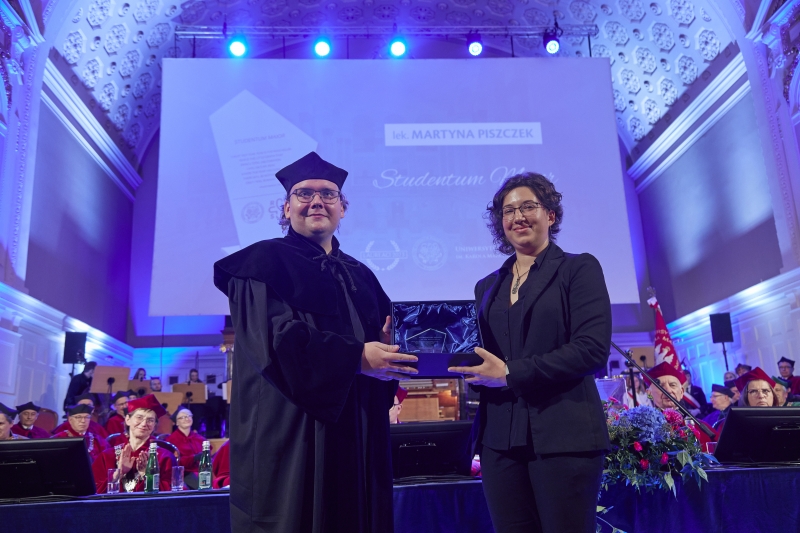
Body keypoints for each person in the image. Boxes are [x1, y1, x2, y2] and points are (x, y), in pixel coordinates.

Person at [213, 151, 418, 533]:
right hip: (292, 431)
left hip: (358, 429)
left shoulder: (361, 275)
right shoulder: (260, 263)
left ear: (342, 208)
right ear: (286, 207)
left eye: (328, 194)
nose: (317, 201)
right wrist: (357, 357)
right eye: (304, 193)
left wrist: (390, 346)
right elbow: (275, 341)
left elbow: (383, 346)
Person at [447, 173, 611, 533]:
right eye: (508, 211)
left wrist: (509, 373)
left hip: (564, 437)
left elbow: (592, 349)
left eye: (528, 207)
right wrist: (416, 343)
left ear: (550, 215)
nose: (517, 216)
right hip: (499, 441)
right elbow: (480, 354)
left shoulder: (578, 268)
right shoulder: (487, 286)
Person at [91, 394, 172, 493]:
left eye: (150, 420)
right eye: (139, 417)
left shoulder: (164, 457)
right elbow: (93, 492)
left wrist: (147, 475)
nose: (144, 424)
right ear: (128, 420)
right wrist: (119, 474)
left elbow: (172, 494)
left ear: (154, 425)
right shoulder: (107, 456)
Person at [644, 362, 714, 447]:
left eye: (672, 385)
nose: (668, 391)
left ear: (681, 392)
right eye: (660, 386)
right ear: (649, 394)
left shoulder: (702, 428)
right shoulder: (642, 429)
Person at [166, 406, 205, 489]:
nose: (187, 418)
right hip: (183, 474)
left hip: (201, 471)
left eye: (189, 416)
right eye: (183, 417)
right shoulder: (171, 440)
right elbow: (174, 462)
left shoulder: (200, 439)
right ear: (177, 422)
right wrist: (194, 458)